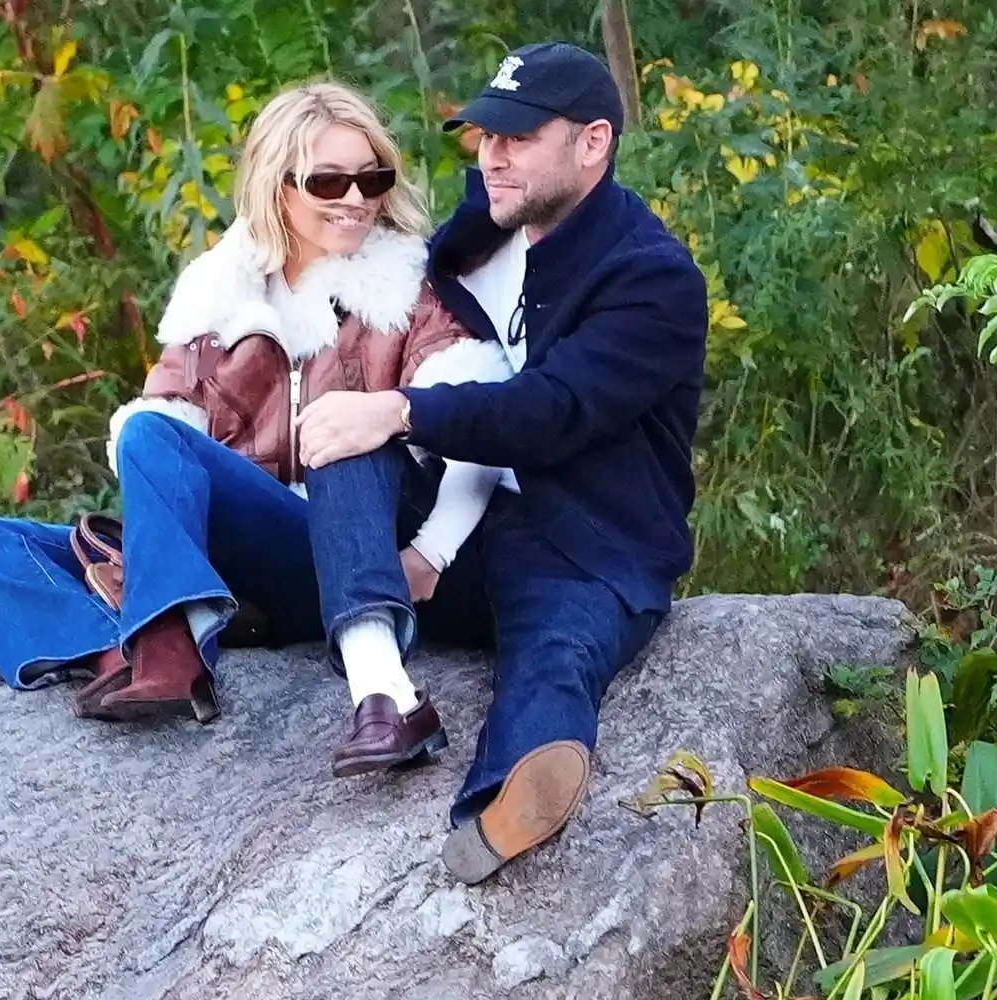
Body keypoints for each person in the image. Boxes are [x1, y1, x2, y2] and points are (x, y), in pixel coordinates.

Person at [0, 81, 511, 776]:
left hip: (354, 554)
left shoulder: (407, 291)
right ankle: (127, 648)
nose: (356, 198)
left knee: (298, 430)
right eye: (329, 180)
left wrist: (430, 554)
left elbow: (484, 428)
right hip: (244, 559)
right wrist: (156, 544)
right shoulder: (219, 299)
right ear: (278, 186)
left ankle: (175, 644)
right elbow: (158, 453)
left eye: (373, 178)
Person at [294, 42, 709, 883]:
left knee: (557, 654)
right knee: (346, 432)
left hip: (585, 543)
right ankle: (379, 689)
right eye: (487, 135)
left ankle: (504, 804)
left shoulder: (651, 277)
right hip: (461, 517)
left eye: (519, 137)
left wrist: (404, 408)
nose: (493, 155)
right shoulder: (481, 229)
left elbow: (550, 411)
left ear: (593, 143)